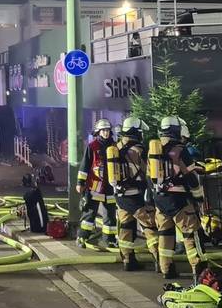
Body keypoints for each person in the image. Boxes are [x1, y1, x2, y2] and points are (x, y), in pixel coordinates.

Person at [152, 116, 206, 279]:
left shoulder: (154, 149)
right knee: (191, 233)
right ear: (176, 130)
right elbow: (190, 177)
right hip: (179, 199)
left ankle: (166, 269)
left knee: (165, 235)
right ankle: (199, 269)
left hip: (160, 199)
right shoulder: (180, 150)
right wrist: (198, 197)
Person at [113, 117, 155, 271]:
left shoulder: (115, 147)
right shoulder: (140, 150)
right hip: (136, 195)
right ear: (136, 132)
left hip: (120, 196)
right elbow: (148, 172)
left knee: (126, 227)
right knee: (150, 226)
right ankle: (160, 261)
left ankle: (128, 261)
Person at [76, 119, 119, 249]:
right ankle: (82, 237)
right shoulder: (92, 146)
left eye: (107, 130)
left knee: (110, 215)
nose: (106, 133)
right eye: (103, 130)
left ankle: (109, 239)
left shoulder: (115, 146)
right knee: (89, 214)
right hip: (95, 186)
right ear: (98, 132)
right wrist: (80, 182)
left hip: (110, 187)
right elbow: (85, 165)